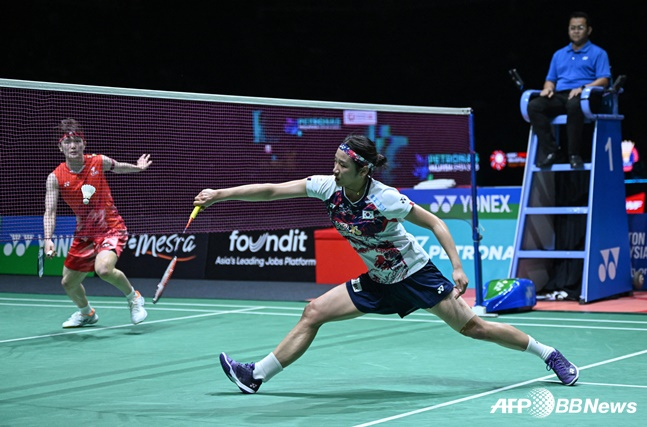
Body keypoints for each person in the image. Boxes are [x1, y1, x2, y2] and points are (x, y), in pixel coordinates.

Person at [194, 134, 579, 394]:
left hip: (416, 276)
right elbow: (273, 191)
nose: (335, 170)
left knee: (474, 328)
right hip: (378, 280)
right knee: (313, 312)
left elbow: (435, 223)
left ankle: (548, 353)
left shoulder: (386, 198)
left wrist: (457, 267)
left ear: (363, 170)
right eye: (334, 163)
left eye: (342, 166)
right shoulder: (327, 188)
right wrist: (220, 195)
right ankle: (255, 376)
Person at [44, 118, 152, 328]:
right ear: (60, 147)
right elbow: (50, 211)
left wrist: (138, 168)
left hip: (111, 228)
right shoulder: (55, 178)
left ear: (84, 144)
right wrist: (48, 239)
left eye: (77, 141)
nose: (73, 146)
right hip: (85, 234)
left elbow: (118, 167)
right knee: (68, 283)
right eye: (67, 142)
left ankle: (134, 298)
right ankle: (87, 313)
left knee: (103, 269)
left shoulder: (98, 161)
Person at [529, 11, 611, 169]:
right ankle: (552, 152)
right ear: (568, 30)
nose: (576, 31)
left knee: (574, 104)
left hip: (587, 96)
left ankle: (574, 154)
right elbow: (550, 79)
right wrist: (548, 88)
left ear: (589, 30)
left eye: (580, 28)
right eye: (572, 28)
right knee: (534, 106)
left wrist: (583, 88)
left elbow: (604, 80)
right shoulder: (559, 54)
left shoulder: (598, 53)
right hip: (561, 95)